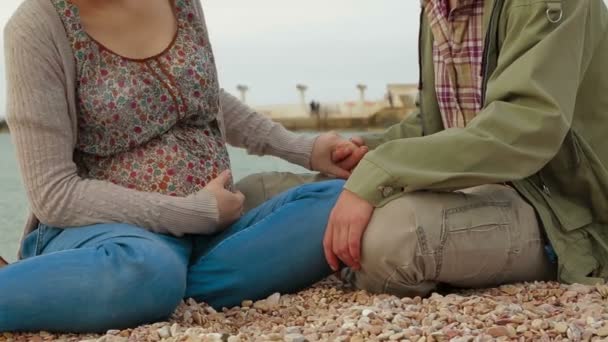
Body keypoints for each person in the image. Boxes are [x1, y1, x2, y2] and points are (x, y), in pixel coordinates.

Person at [0, 0, 366, 333]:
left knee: (338, 203)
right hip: (112, 234)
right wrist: (192, 212)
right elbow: (53, 194)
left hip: (212, 234)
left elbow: (204, 97)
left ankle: (149, 290)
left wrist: (306, 149)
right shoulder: (37, 26)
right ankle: (138, 282)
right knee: (146, 267)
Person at [322, 0, 608, 296]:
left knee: (388, 241)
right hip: (476, 186)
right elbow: (436, 123)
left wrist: (385, 170)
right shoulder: (436, 6)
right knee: (317, 194)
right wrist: (371, 152)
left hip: (563, 210)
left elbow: (525, 128)